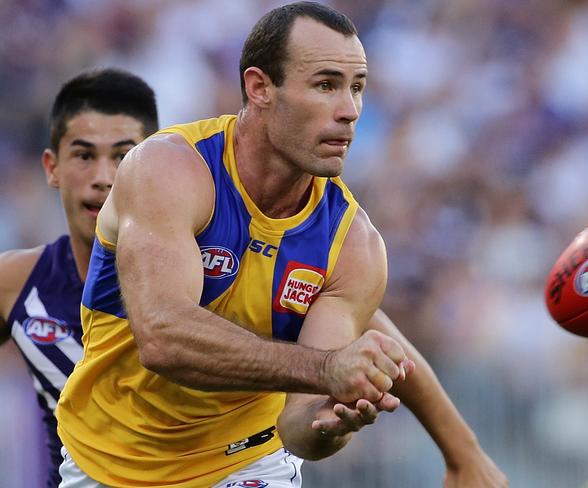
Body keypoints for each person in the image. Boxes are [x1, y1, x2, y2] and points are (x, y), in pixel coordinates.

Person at [56, 2, 508, 487]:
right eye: (325, 85)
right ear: (260, 87)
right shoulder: (168, 169)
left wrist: (332, 424)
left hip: (247, 462)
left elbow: (298, 429)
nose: (350, 110)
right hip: (106, 459)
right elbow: (164, 339)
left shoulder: (354, 246)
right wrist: (326, 368)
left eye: (356, 88)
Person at [0, 68, 159, 487]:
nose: (104, 177)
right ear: (52, 167)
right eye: (85, 155)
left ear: (160, 168)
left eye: (124, 156)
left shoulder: (212, 277)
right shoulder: (15, 283)